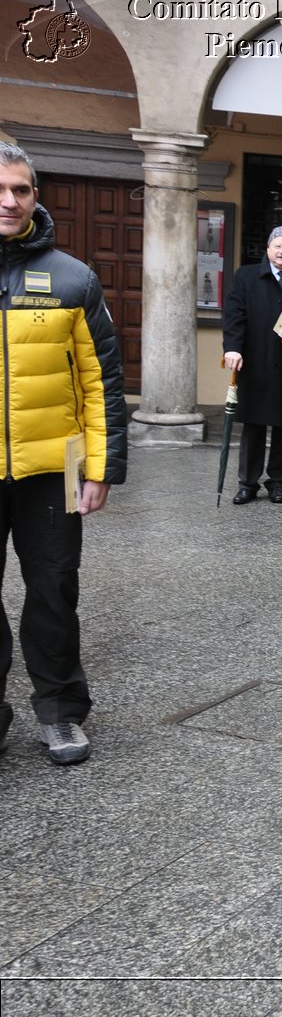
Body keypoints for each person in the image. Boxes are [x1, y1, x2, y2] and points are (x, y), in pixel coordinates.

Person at [0, 142, 128, 764]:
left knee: (53, 591)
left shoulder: (73, 278)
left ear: (35, 196)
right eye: (1, 188)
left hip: (54, 468)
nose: (9, 200)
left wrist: (100, 469)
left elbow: (100, 381)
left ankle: (59, 712)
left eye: (21, 189)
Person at [221, 226, 282, 505]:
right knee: (254, 425)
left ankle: (277, 482)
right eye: (278, 246)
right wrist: (233, 348)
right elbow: (234, 316)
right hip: (256, 362)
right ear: (268, 249)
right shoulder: (247, 276)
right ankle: (247, 483)